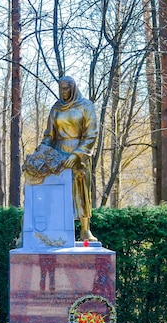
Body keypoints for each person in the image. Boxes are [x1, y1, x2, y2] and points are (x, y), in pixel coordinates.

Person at [40, 75, 98, 242]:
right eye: (61, 88)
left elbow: (91, 134)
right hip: (58, 154)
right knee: (58, 193)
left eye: (66, 88)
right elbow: (49, 135)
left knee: (81, 191)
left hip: (79, 156)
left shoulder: (86, 106)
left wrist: (77, 154)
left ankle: (85, 229)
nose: (63, 92)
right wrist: (42, 150)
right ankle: (57, 229)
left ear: (73, 88)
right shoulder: (56, 108)